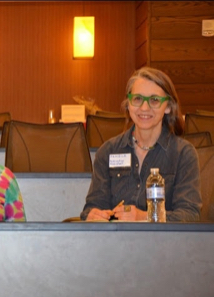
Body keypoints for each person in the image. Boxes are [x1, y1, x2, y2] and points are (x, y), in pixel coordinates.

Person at [81, 67, 201, 222]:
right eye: (137, 99)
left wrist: (143, 217)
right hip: (116, 243)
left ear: (168, 107)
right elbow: (93, 206)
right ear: (128, 104)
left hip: (165, 244)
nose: (144, 108)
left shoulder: (184, 154)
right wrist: (92, 215)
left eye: (154, 100)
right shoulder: (108, 151)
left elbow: (190, 215)